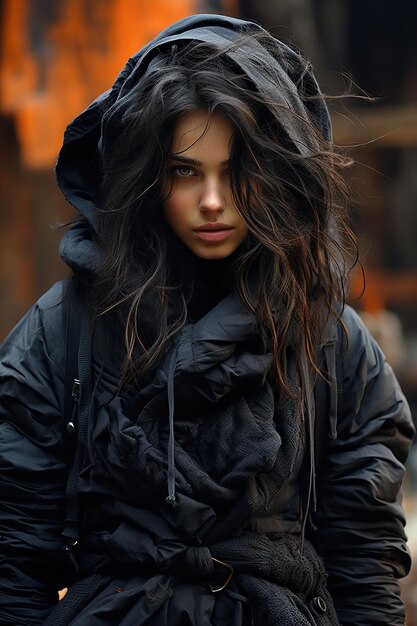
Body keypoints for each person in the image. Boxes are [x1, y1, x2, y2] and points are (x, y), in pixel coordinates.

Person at [0, 13, 414, 626]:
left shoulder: (328, 340)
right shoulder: (64, 332)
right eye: (185, 171)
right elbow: (16, 556)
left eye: (235, 172)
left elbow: (364, 557)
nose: (214, 201)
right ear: (149, 177)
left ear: (274, 174)